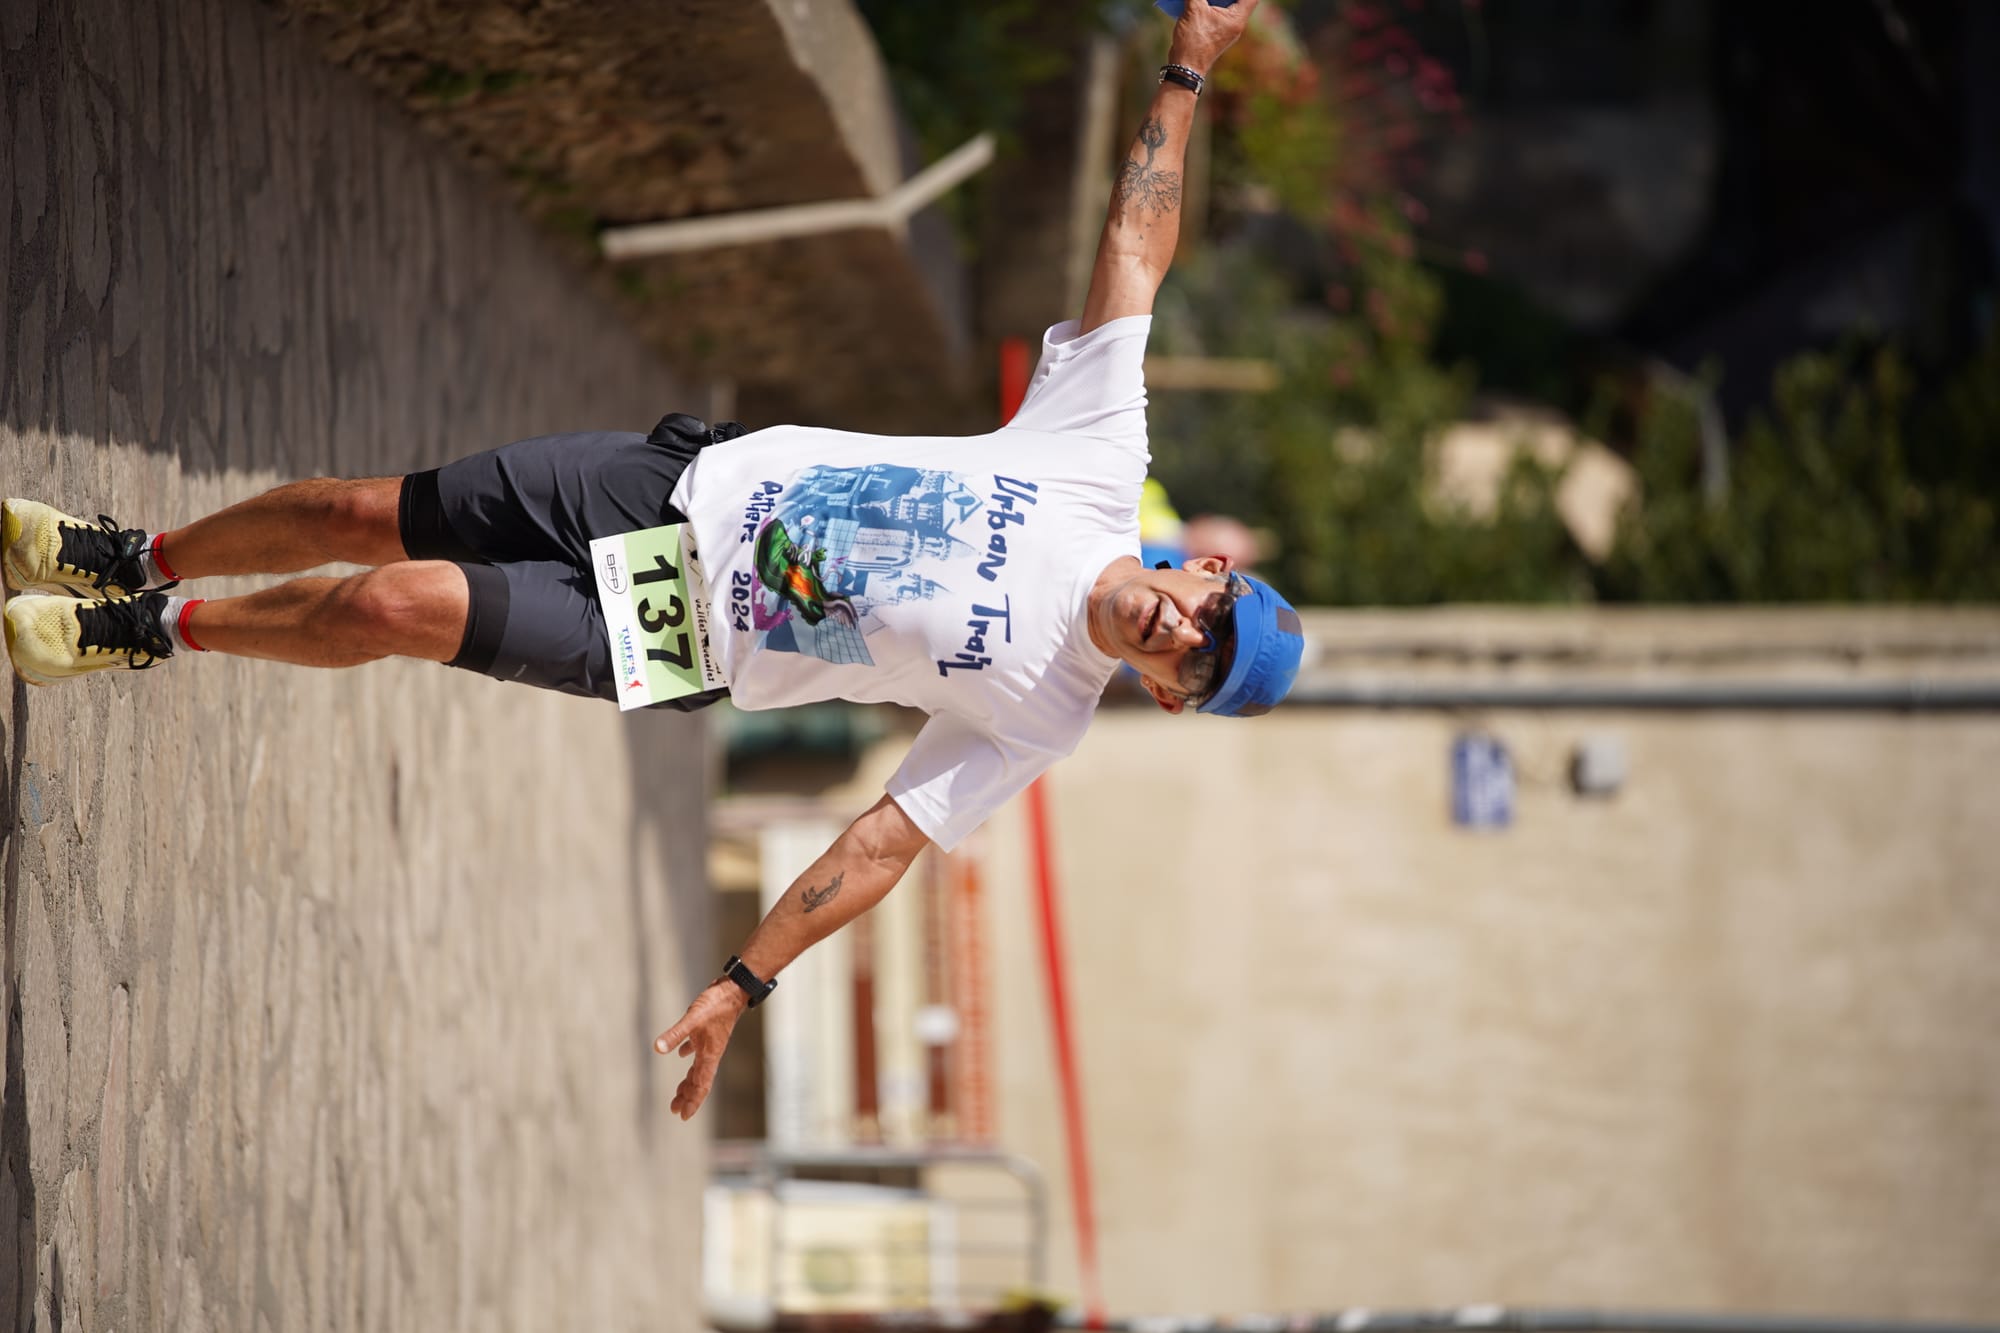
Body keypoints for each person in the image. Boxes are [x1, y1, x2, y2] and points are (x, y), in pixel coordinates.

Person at [4, 0, 1291, 1120]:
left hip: (681, 633)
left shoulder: (1040, 716)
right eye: (1211, 615)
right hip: (678, 484)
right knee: (362, 512)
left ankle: (152, 630)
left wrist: (743, 982)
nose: (1185, 634)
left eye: (1200, 665)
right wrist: (1189, 63)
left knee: (393, 604)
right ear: (1204, 574)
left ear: (1169, 696)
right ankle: (134, 554)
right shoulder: (1096, 459)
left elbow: (882, 844)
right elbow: (1133, 250)